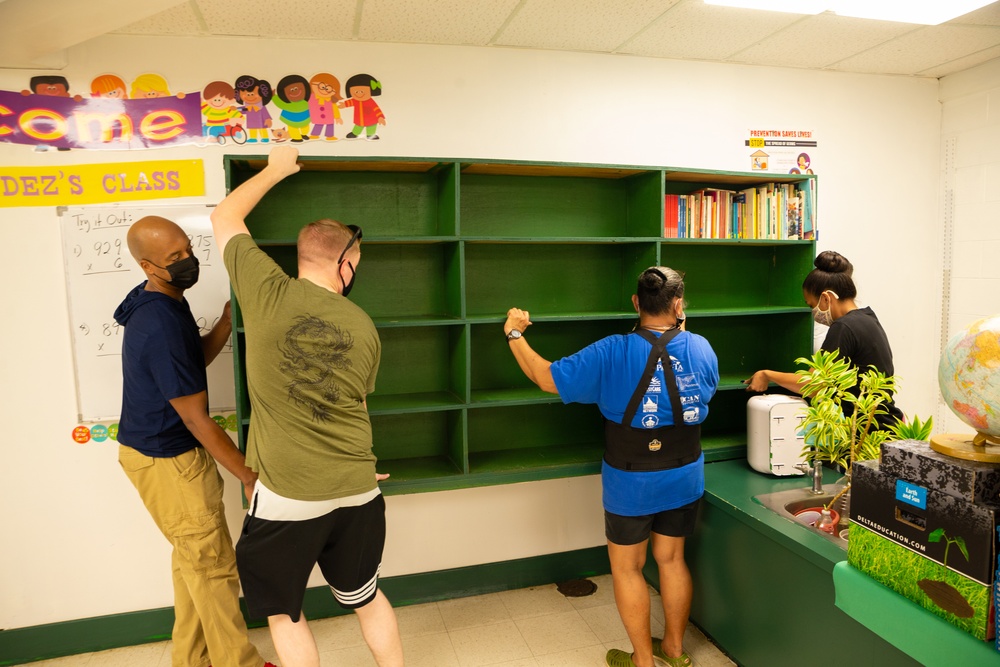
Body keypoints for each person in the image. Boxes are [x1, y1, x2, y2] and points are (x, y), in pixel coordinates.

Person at [210, 145, 403, 667]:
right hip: (359, 492)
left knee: (285, 614)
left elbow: (225, 216)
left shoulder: (264, 289)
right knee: (366, 597)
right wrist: (359, 469)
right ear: (347, 262)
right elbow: (357, 406)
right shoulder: (363, 326)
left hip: (288, 498)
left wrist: (275, 169)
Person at [504, 267, 718, 667]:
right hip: (684, 472)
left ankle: (642, 661)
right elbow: (701, 388)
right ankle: (674, 651)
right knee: (672, 560)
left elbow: (545, 377)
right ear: (678, 305)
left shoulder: (610, 350)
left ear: (636, 304)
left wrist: (514, 333)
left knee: (628, 569)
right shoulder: (702, 347)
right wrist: (681, 331)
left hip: (631, 478)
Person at [115, 215, 275, 667]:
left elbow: (187, 366)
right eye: (174, 258)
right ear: (148, 266)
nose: (188, 261)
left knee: (193, 566)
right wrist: (248, 474)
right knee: (212, 568)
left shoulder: (161, 300)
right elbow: (197, 419)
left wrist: (224, 324)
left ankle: (191, 661)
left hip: (155, 454)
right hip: (168, 460)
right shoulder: (160, 324)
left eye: (187, 249)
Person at [744, 250, 904, 427]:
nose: (814, 313)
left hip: (865, 432)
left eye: (812, 305)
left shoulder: (843, 327)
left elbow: (814, 385)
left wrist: (767, 374)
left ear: (826, 298)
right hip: (886, 423)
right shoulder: (868, 318)